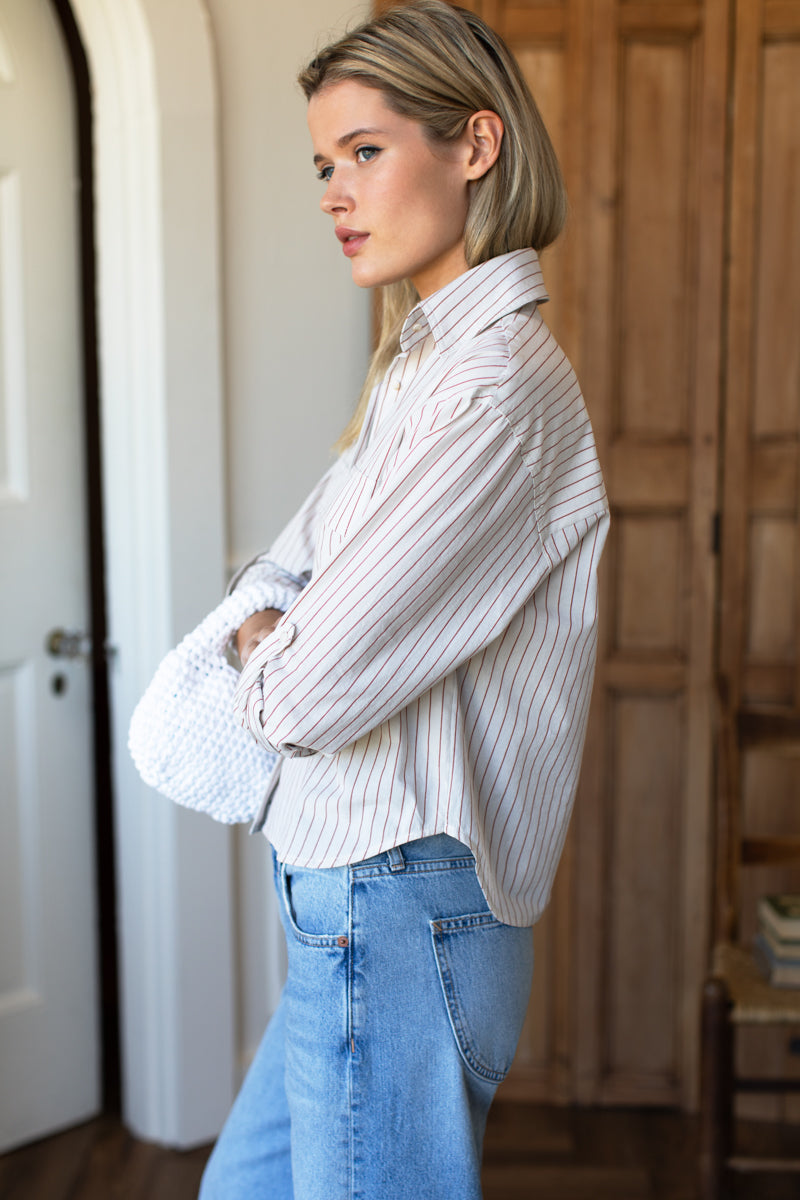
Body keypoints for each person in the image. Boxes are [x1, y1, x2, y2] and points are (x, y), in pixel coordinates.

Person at [199, 2, 608, 1197]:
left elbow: (301, 689)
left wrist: (267, 634)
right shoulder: (425, 368)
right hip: (357, 905)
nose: (334, 191)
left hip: (396, 902)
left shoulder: (490, 393)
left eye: (366, 153)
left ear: (473, 146)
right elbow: (285, 611)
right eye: (324, 164)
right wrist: (273, 622)